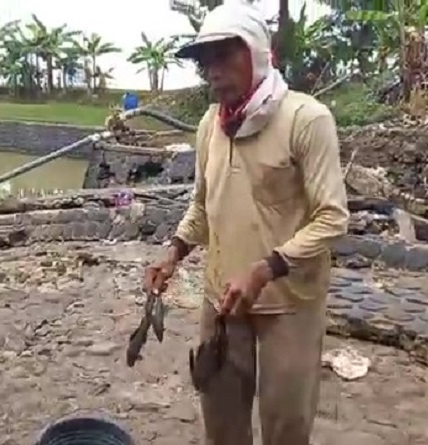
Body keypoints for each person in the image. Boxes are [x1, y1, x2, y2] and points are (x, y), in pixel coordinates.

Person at [142, 2, 349, 445]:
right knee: (221, 419)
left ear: (259, 53)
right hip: (222, 299)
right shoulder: (209, 127)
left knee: (285, 427)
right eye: (205, 61)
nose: (213, 71)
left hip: (289, 302)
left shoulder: (305, 120)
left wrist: (266, 268)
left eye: (224, 55)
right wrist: (174, 252)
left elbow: (332, 217)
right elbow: (203, 205)